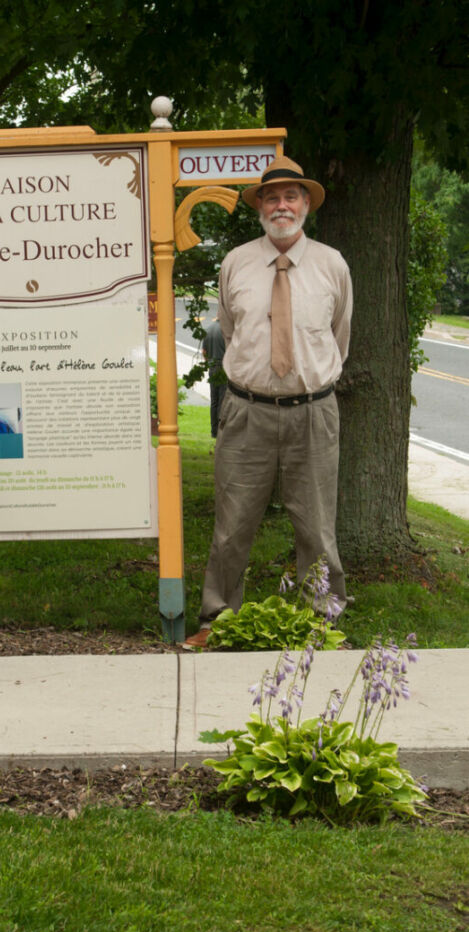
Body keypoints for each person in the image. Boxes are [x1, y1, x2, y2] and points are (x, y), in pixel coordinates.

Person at [185, 156, 353, 648]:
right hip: (246, 412)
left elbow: (338, 339)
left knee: (318, 529)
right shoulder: (235, 262)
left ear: (305, 205)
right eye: (272, 197)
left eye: (291, 196)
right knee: (232, 526)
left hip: (314, 413)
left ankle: (322, 624)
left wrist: (307, 383)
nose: (282, 205)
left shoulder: (332, 265)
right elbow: (231, 332)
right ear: (260, 205)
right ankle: (216, 621)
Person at [202, 318, 226, 438]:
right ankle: (222, 430)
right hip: (223, 366)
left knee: (214, 400)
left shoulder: (208, 329)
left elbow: (204, 352)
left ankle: (214, 430)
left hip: (212, 366)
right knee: (223, 399)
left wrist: (209, 363)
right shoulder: (226, 331)